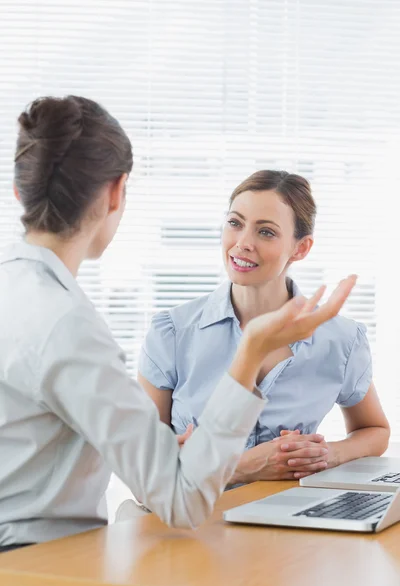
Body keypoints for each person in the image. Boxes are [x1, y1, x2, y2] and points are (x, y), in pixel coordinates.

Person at [0, 97, 356, 552]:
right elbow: (181, 500)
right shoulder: (69, 326)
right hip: (37, 569)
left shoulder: (19, 292)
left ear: (19, 193)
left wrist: (174, 453)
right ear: (116, 192)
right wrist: (251, 351)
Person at [138, 170, 390, 486]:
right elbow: (144, 468)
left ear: (300, 248)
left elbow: (375, 431)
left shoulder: (341, 339)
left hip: (289, 517)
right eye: (235, 223)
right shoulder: (172, 333)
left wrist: (329, 454)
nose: (242, 243)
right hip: (190, 522)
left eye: (266, 232)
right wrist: (244, 466)